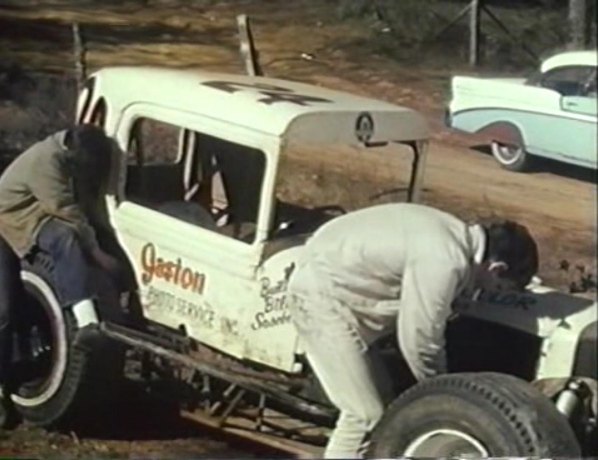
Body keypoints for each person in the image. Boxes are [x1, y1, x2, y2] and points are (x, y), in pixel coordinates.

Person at [286, 202, 539, 459]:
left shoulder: (451, 231)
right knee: (363, 415)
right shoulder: (446, 259)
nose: (487, 294)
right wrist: (444, 392)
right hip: (322, 299)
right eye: (497, 288)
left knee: (386, 407)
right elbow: (419, 339)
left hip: (337, 289)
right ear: (498, 269)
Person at [0, 124, 123, 425]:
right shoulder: (46, 160)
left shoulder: (71, 159)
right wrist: (98, 254)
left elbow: (87, 207)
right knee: (2, 310)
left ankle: (87, 323)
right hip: (7, 224)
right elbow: (63, 208)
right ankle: (86, 321)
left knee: (68, 236)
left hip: (34, 216)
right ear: (73, 152)